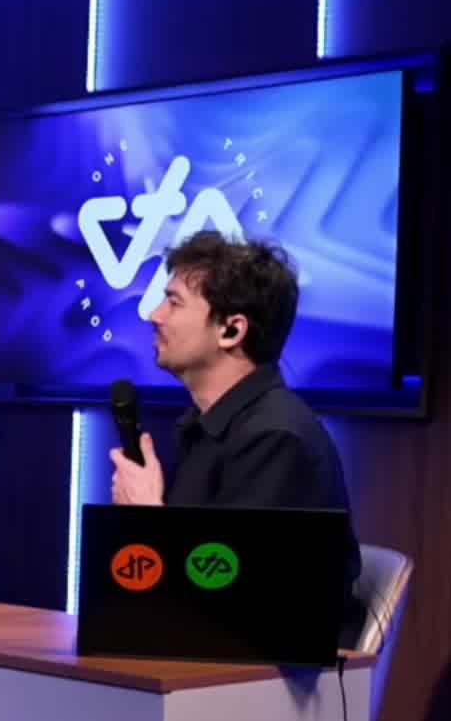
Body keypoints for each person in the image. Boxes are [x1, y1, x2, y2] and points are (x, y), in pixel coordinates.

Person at [109, 232, 361, 584]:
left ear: (231, 330)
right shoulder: (202, 426)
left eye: (173, 303)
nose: (154, 315)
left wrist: (147, 514)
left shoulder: (276, 438)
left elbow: (229, 591)